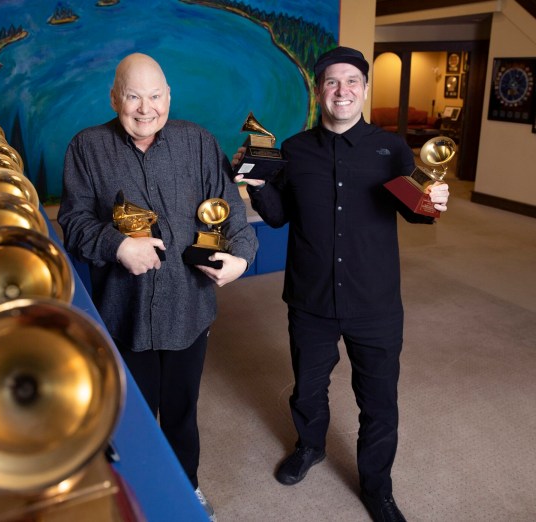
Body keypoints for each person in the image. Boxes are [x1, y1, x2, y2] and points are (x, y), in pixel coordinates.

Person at [234, 46, 450, 522]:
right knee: (307, 389)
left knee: (378, 400)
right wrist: (254, 182)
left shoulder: (390, 149)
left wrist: (434, 200)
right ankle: (309, 446)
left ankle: (378, 487)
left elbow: (418, 216)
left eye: (351, 81)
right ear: (319, 91)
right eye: (332, 82)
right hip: (310, 298)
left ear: (365, 89)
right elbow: (278, 216)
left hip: (374, 302)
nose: (342, 91)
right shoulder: (292, 149)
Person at [58, 52, 258, 521]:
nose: (145, 108)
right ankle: (136, 500)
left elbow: (230, 210)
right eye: (132, 96)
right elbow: (73, 221)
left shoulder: (200, 142)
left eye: (154, 96)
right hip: (122, 314)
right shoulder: (86, 148)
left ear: (169, 96)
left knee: (182, 413)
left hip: (190, 310)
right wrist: (116, 245)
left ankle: (186, 489)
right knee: (131, 422)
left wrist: (242, 258)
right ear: (114, 98)